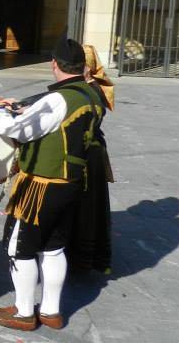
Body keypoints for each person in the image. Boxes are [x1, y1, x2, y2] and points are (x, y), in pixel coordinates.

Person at [0, 34, 105, 332]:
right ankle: (50, 311)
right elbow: (54, 124)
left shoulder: (58, 99)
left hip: (42, 185)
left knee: (18, 248)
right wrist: (22, 107)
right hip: (71, 183)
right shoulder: (91, 95)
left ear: (53, 64)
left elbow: (16, 129)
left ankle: (24, 312)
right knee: (53, 248)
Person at [67, 44, 115, 275]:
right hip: (89, 153)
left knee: (86, 208)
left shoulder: (90, 89)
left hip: (87, 156)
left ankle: (81, 258)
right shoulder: (86, 87)